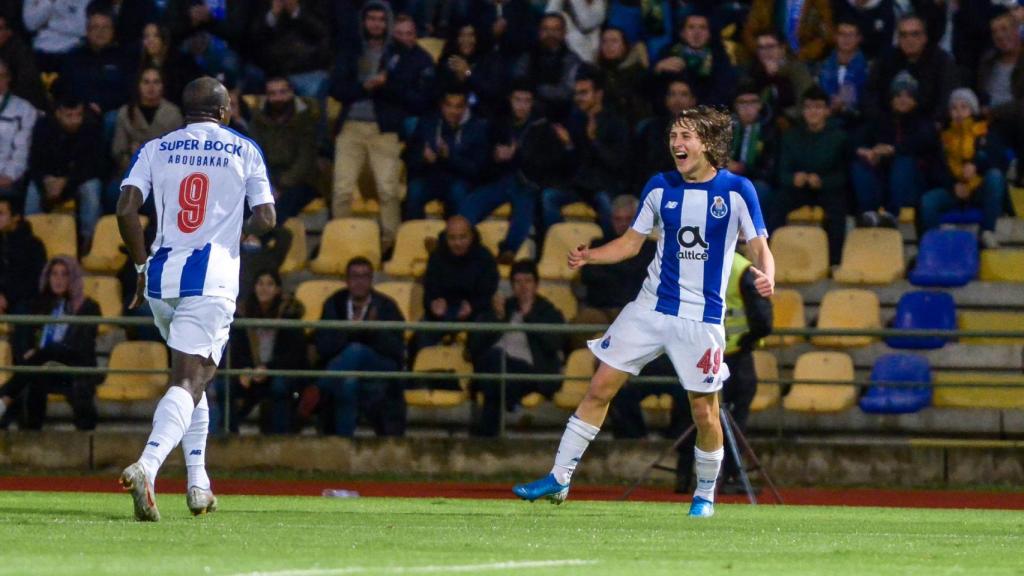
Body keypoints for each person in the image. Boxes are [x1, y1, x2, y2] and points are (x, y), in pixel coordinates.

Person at [512, 105, 775, 519]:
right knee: (599, 386)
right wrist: (591, 256)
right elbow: (631, 243)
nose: (676, 143)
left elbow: (759, 244)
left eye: (685, 136)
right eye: (673, 136)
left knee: (704, 410)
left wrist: (768, 275)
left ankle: (705, 495)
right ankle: (559, 478)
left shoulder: (737, 190)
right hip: (650, 308)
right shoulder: (659, 186)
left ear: (707, 143)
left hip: (700, 319)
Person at [116, 76, 276, 522]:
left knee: (193, 376)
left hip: (161, 280)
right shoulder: (243, 149)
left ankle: (198, 484)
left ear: (186, 111)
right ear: (224, 111)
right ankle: (147, 465)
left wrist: (139, 266)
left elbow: (126, 210)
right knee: (190, 380)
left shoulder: (156, 147)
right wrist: (239, 230)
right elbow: (267, 216)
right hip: (210, 280)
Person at [329, 6, 435, 253]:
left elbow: (410, 95)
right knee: (342, 189)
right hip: (351, 126)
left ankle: (391, 243)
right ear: (364, 21)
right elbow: (337, 89)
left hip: (384, 127)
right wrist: (366, 87)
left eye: (380, 20)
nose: (376, 24)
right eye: (371, 19)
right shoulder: (351, 50)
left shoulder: (400, 54)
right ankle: (340, 242)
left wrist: (386, 85)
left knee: (388, 190)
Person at [674, 251, 773, 495]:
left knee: (694, 415)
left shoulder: (692, 264)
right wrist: (746, 340)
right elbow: (763, 321)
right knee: (733, 419)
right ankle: (729, 475)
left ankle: (684, 475)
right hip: (736, 357)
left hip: (698, 354)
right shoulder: (743, 270)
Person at [0, 256, 101, 430]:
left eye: (64, 274)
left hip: (73, 367)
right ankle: (31, 434)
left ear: (73, 278)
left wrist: (39, 353)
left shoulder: (88, 307)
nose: (58, 280)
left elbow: (80, 348)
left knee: (44, 354)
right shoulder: (39, 306)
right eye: (54, 274)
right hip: (43, 368)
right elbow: (28, 342)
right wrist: (36, 353)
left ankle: (4, 398)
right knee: (35, 372)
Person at [468, 259, 566, 437]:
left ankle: (484, 439)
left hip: (530, 372)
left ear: (536, 285)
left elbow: (554, 344)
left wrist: (529, 318)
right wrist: (497, 318)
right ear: (512, 285)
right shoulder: (503, 308)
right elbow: (474, 346)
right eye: (518, 282)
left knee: (493, 381)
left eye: (528, 281)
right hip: (498, 368)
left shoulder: (548, 311)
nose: (523, 287)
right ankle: (510, 405)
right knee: (495, 367)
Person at [314, 257, 406, 437]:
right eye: (354, 276)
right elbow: (323, 343)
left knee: (356, 350)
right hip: (344, 369)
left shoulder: (386, 306)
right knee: (348, 383)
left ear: (371, 279)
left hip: (380, 365)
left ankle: (319, 387)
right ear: (347, 279)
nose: (359, 281)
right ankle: (344, 444)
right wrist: (351, 333)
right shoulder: (334, 303)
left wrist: (370, 332)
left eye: (364, 276)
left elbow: (395, 347)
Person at [541, 69, 629, 238]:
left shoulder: (616, 122)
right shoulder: (576, 119)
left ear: (598, 94)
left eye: (584, 93)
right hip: (580, 184)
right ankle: (561, 243)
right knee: (548, 197)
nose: (578, 98)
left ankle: (610, 252)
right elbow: (571, 163)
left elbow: (617, 162)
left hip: (605, 184)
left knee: (606, 203)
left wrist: (593, 140)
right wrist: (567, 145)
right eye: (576, 93)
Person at [459, 83, 542, 262]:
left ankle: (509, 250)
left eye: (526, 101)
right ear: (510, 100)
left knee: (525, 202)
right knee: (472, 202)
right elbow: (483, 161)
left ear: (532, 103)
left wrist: (516, 155)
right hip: (499, 178)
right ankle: (454, 242)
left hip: (526, 181)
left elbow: (544, 163)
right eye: (518, 100)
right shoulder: (498, 123)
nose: (521, 105)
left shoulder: (540, 126)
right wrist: (496, 157)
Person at [852, 72, 944, 228]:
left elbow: (922, 142)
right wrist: (868, 152)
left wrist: (892, 150)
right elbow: (853, 141)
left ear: (915, 100)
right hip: (882, 182)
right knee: (860, 163)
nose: (903, 100)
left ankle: (891, 216)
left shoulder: (924, 122)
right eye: (898, 95)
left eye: (908, 96)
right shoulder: (881, 120)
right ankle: (868, 215)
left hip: (914, 185)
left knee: (904, 161)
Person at [222, 270, 307, 434]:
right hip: (252, 374)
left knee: (279, 386)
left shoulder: (290, 315)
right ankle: (228, 439)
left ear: (278, 289)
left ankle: (279, 441)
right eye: (260, 283)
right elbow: (235, 350)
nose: (264, 288)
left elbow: (294, 355)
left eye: (270, 284)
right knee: (223, 385)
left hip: (280, 372)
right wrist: (243, 369)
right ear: (254, 288)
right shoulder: (241, 315)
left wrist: (269, 368)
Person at [921, 88, 1006, 249]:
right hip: (954, 189)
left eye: (963, 107)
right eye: (954, 108)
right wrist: (953, 186)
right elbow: (936, 169)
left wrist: (976, 166)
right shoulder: (943, 136)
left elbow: (998, 160)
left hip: (978, 188)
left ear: (972, 109)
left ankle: (987, 232)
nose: (959, 112)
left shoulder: (986, 131)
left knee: (995, 177)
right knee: (928, 201)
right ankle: (933, 245)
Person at [773, 86, 848, 263]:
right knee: (777, 202)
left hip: (827, 189)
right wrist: (793, 179)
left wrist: (823, 181)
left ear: (827, 111)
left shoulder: (839, 138)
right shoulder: (790, 136)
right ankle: (772, 256)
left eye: (818, 107)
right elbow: (781, 172)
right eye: (808, 107)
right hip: (798, 188)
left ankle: (834, 262)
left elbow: (843, 175)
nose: (813, 112)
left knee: (838, 207)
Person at [572, 194, 655, 350]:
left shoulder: (651, 247)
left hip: (636, 311)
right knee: (581, 323)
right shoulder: (597, 243)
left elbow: (641, 277)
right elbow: (588, 275)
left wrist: (609, 265)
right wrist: (625, 269)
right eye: (618, 219)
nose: (623, 224)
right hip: (601, 310)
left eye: (627, 219)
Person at [25, 96, 104, 247]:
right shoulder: (43, 127)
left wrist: (67, 181)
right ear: (58, 113)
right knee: (32, 192)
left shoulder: (90, 127)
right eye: (69, 116)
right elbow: (34, 163)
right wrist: (46, 180)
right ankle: (32, 243)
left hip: (77, 179)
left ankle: (88, 244)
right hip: (48, 180)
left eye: (78, 115)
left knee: (92, 188)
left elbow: (94, 166)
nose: (75, 120)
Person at [404, 89, 489, 220]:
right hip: (431, 177)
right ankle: (415, 234)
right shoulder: (428, 123)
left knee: (458, 192)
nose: (453, 111)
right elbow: (409, 158)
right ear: (442, 106)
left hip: (460, 180)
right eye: (449, 106)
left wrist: (449, 158)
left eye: (458, 106)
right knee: (415, 190)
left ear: (466, 106)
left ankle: (454, 235)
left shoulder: (478, 127)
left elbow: (477, 170)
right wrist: (423, 158)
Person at [417, 215, 499, 349]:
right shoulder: (437, 257)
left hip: (476, 312)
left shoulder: (484, 258)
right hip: (443, 312)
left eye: (462, 237)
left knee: (484, 328)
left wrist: (472, 307)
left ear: (471, 236)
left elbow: (488, 294)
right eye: (452, 238)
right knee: (422, 332)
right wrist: (433, 304)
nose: (458, 243)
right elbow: (429, 291)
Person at [248, 77, 319, 221]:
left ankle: (261, 240)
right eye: (272, 94)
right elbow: (255, 155)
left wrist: (280, 186)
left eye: (282, 92)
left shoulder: (306, 118)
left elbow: (305, 160)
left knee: (280, 208)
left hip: (301, 181)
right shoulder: (258, 120)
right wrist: (269, 186)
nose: (278, 98)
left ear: (291, 93)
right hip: (269, 178)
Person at [652, 12, 736, 108]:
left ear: (709, 34)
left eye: (702, 28)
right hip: (669, 114)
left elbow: (724, 91)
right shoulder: (668, 53)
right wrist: (657, 69)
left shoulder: (719, 58)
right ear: (682, 33)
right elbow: (649, 89)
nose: (697, 33)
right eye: (691, 27)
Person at [512, 13, 582, 121]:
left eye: (555, 29)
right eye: (545, 29)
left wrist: (536, 88)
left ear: (564, 33)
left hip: (560, 116)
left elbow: (566, 92)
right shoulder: (528, 55)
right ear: (539, 31)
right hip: (528, 115)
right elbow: (518, 79)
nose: (550, 34)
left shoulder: (571, 59)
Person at [742, 0, 835, 63]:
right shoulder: (764, 2)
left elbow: (826, 35)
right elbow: (749, 33)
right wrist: (764, 52)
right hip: (767, 59)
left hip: (803, 59)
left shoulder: (818, 2)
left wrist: (804, 55)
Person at [0, 195, 46, 318]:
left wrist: (7, 298)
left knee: (24, 310)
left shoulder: (33, 245)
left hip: (22, 301)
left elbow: (35, 282)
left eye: (1, 214)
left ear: (16, 217)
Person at [818, 19, 868, 128]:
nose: (846, 39)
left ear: (859, 38)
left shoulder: (866, 67)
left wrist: (841, 104)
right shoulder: (824, 64)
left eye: (851, 35)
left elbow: (856, 99)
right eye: (842, 34)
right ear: (835, 37)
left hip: (855, 120)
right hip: (824, 116)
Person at [0, 57, 37, 196]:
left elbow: (22, 150)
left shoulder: (24, 109)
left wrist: (10, 175)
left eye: (1, 76)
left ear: (8, 78)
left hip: (5, 176)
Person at [23, 0, 90, 73]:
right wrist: (50, 2)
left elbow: (82, 29)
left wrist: (49, 25)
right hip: (40, 49)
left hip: (71, 49)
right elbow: (31, 25)